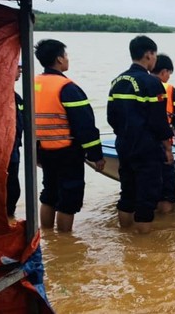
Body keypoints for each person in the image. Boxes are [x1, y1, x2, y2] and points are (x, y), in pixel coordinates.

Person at [34, 39, 104, 232]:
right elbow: (85, 125)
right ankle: (64, 241)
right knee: (68, 198)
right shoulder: (67, 88)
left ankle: (47, 237)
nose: (67, 59)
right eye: (65, 55)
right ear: (58, 59)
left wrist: (35, 152)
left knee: (49, 193)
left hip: (43, 150)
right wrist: (96, 155)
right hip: (67, 152)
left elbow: (25, 121)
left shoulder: (32, 84)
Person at [107, 35, 174, 234]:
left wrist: (124, 134)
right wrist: (167, 147)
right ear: (148, 54)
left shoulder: (117, 80)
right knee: (147, 196)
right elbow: (158, 121)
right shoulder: (152, 83)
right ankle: (142, 246)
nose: (155, 59)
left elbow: (111, 116)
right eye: (154, 55)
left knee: (127, 192)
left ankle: (125, 236)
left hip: (124, 144)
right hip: (146, 147)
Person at [150, 54, 175, 214]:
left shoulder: (136, 84)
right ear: (164, 72)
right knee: (167, 191)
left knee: (143, 190)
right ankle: (165, 226)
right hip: (163, 145)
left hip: (140, 143)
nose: (169, 77)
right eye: (169, 73)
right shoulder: (169, 90)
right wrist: (170, 147)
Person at [6, 62, 24, 218]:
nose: (21, 70)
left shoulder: (16, 97)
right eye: (17, 67)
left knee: (13, 190)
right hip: (3, 154)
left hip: (14, 151)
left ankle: (9, 220)